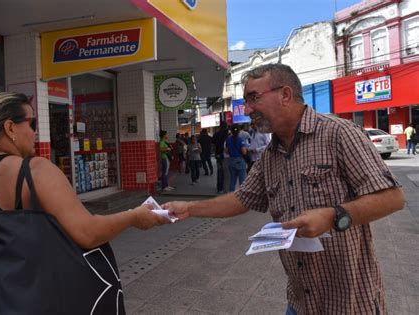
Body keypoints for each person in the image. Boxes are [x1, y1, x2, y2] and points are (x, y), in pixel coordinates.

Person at [164, 64, 405, 314]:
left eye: (254, 98)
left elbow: (393, 197)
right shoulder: (270, 155)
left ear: (285, 94)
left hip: (350, 302)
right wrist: (190, 208)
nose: (248, 109)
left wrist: (333, 216)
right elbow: (241, 199)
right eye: (246, 101)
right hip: (300, 301)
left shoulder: (339, 133)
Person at [0, 92, 169, 314]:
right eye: (32, 123)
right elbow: (88, 233)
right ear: (10, 127)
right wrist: (133, 216)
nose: (36, 132)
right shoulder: (33, 172)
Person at [225, 125, 247, 192]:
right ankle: (242, 198)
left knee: (232, 180)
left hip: (231, 161)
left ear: (231, 131)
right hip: (240, 161)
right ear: (239, 131)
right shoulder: (240, 139)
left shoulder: (228, 139)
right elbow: (244, 152)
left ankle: (230, 196)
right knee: (242, 181)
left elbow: (226, 150)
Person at [212, 122, 229, 193]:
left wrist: (216, 153)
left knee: (219, 171)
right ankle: (226, 188)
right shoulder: (228, 134)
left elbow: (213, 144)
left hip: (218, 155)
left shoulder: (216, 134)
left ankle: (219, 188)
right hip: (227, 155)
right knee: (227, 172)